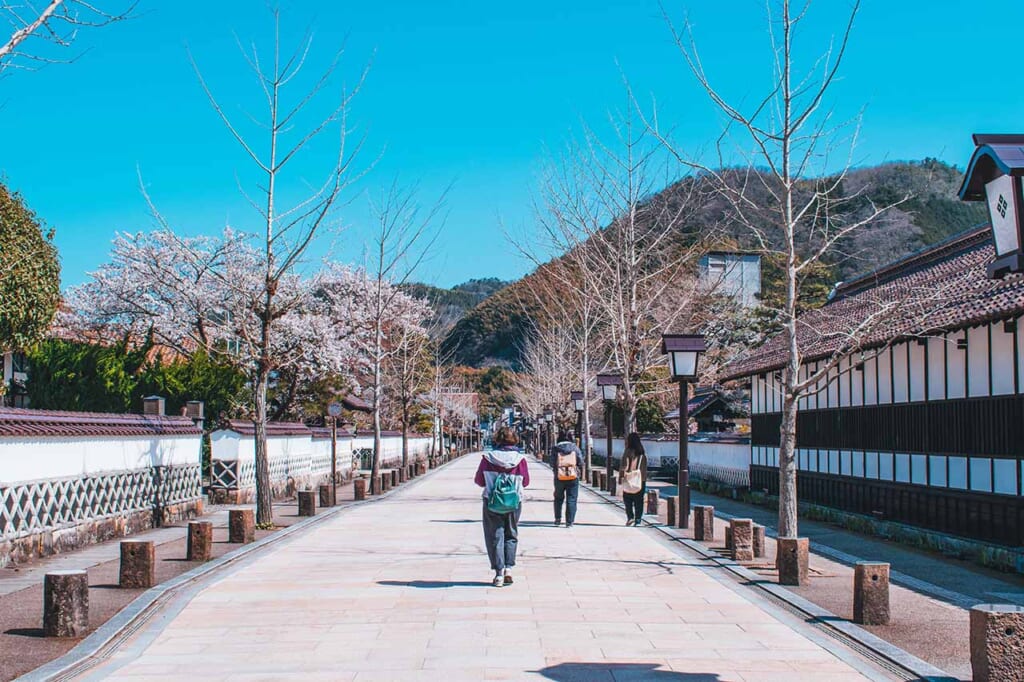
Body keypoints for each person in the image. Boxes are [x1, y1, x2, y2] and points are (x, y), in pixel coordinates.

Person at [474, 426, 530, 587]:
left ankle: (498, 573)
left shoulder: (487, 458)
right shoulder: (520, 460)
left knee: (495, 535)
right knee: (511, 533)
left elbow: (479, 481)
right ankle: (509, 569)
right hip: (514, 502)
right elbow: (525, 481)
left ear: (497, 439)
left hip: (492, 502)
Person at [549, 431, 584, 527]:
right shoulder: (574, 448)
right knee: (572, 498)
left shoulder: (555, 448)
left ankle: (557, 519)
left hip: (559, 476)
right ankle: (569, 521)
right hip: (573, 476)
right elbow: (581, 461)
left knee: (558, 498)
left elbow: (551, 463)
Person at [618, 432, 648, 526]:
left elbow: (624, 466)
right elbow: (645, 468)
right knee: (639, 500)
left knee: (628, 499)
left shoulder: (628, 451)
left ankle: (630, 517)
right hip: (640, 480)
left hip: (629, 478)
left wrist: (621, 477)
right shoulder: (642, 453)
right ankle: (638, 519)